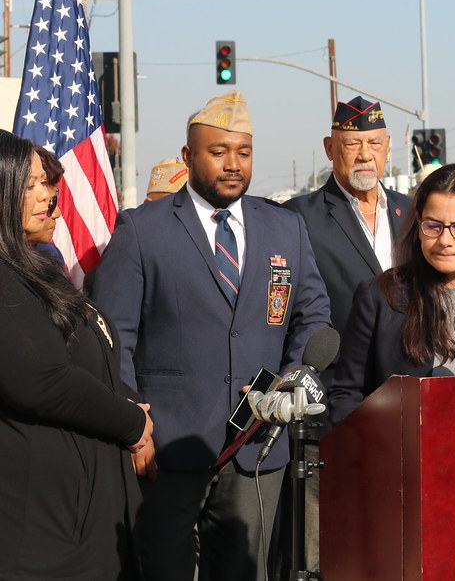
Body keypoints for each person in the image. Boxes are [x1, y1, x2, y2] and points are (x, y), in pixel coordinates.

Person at [90, 90, 332, 581]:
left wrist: (288, 382)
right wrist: (132, 425)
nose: (232, 165)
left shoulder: (286, 228)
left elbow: (313, 315)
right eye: (218, 152)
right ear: (188, 156)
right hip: (167, 447)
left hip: (257, 446)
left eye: (242, 153)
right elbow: (114, 339)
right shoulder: (143, 230)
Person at [0, 130, 154, 579]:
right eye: (31, 184)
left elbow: (94, 358)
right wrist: (133, 424)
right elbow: (42, 380)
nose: (50, 195)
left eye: (48, 183)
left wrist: (128, 400)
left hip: (84, 520)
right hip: (42, 531)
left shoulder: (36, 272)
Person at [282, 95, 412, 571]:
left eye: (374, 144)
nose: (364, 155)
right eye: (352, 144)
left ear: (389, 147)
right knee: (331, 548)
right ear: (329, 147)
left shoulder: (416, 214)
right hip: (337, 408)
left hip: (411, 409)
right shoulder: (299, 218)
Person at [329, 163, 455, 423]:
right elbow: (346, 396)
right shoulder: (381, 296)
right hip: (412, 455)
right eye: (433, 226)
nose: (445, 240)